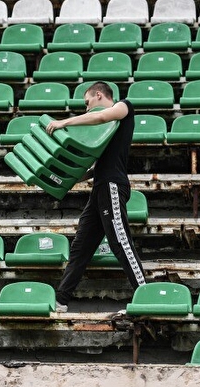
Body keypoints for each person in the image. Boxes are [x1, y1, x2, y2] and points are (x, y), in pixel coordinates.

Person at [44, 81, 146, 312]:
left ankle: (145, 294)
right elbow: (96, 167)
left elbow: (100, 117)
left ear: (99, 95)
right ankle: (61, 300)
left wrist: (64, 122)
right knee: (82, 245)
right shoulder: (104, 131)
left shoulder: (123, 107)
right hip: (100, 187)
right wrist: (69, 178)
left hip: (112, 186)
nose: (87, 108)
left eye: (87, 102)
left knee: (120, 241)